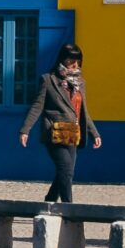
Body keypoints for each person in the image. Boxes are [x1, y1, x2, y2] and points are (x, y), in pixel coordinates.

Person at [17, 42, 99, 203]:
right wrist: (25, 130)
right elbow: (37, 106)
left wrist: (94, 133)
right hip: (53, 132)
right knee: (65, 168)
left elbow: (83, 111)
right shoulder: (48, 80)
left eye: (77, 60)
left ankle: (49, 200)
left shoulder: (80, 83)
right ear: (62, 59)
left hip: (73, 133)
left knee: (65, 171)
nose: (74, 64)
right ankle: (68, 207)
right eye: (70, 60)